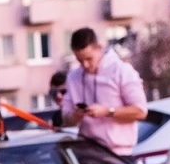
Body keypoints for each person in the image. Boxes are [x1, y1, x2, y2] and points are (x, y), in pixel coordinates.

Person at [60, 28, 148, 156]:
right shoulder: (73, 77)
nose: (85, 65)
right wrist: (76, 115)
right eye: (80, 60)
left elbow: (140, 111)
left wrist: (107, 112)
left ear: (99, 48)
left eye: (89, 59)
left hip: (118, 154)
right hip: (86, 152)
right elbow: (66, 120)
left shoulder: (121, 71)